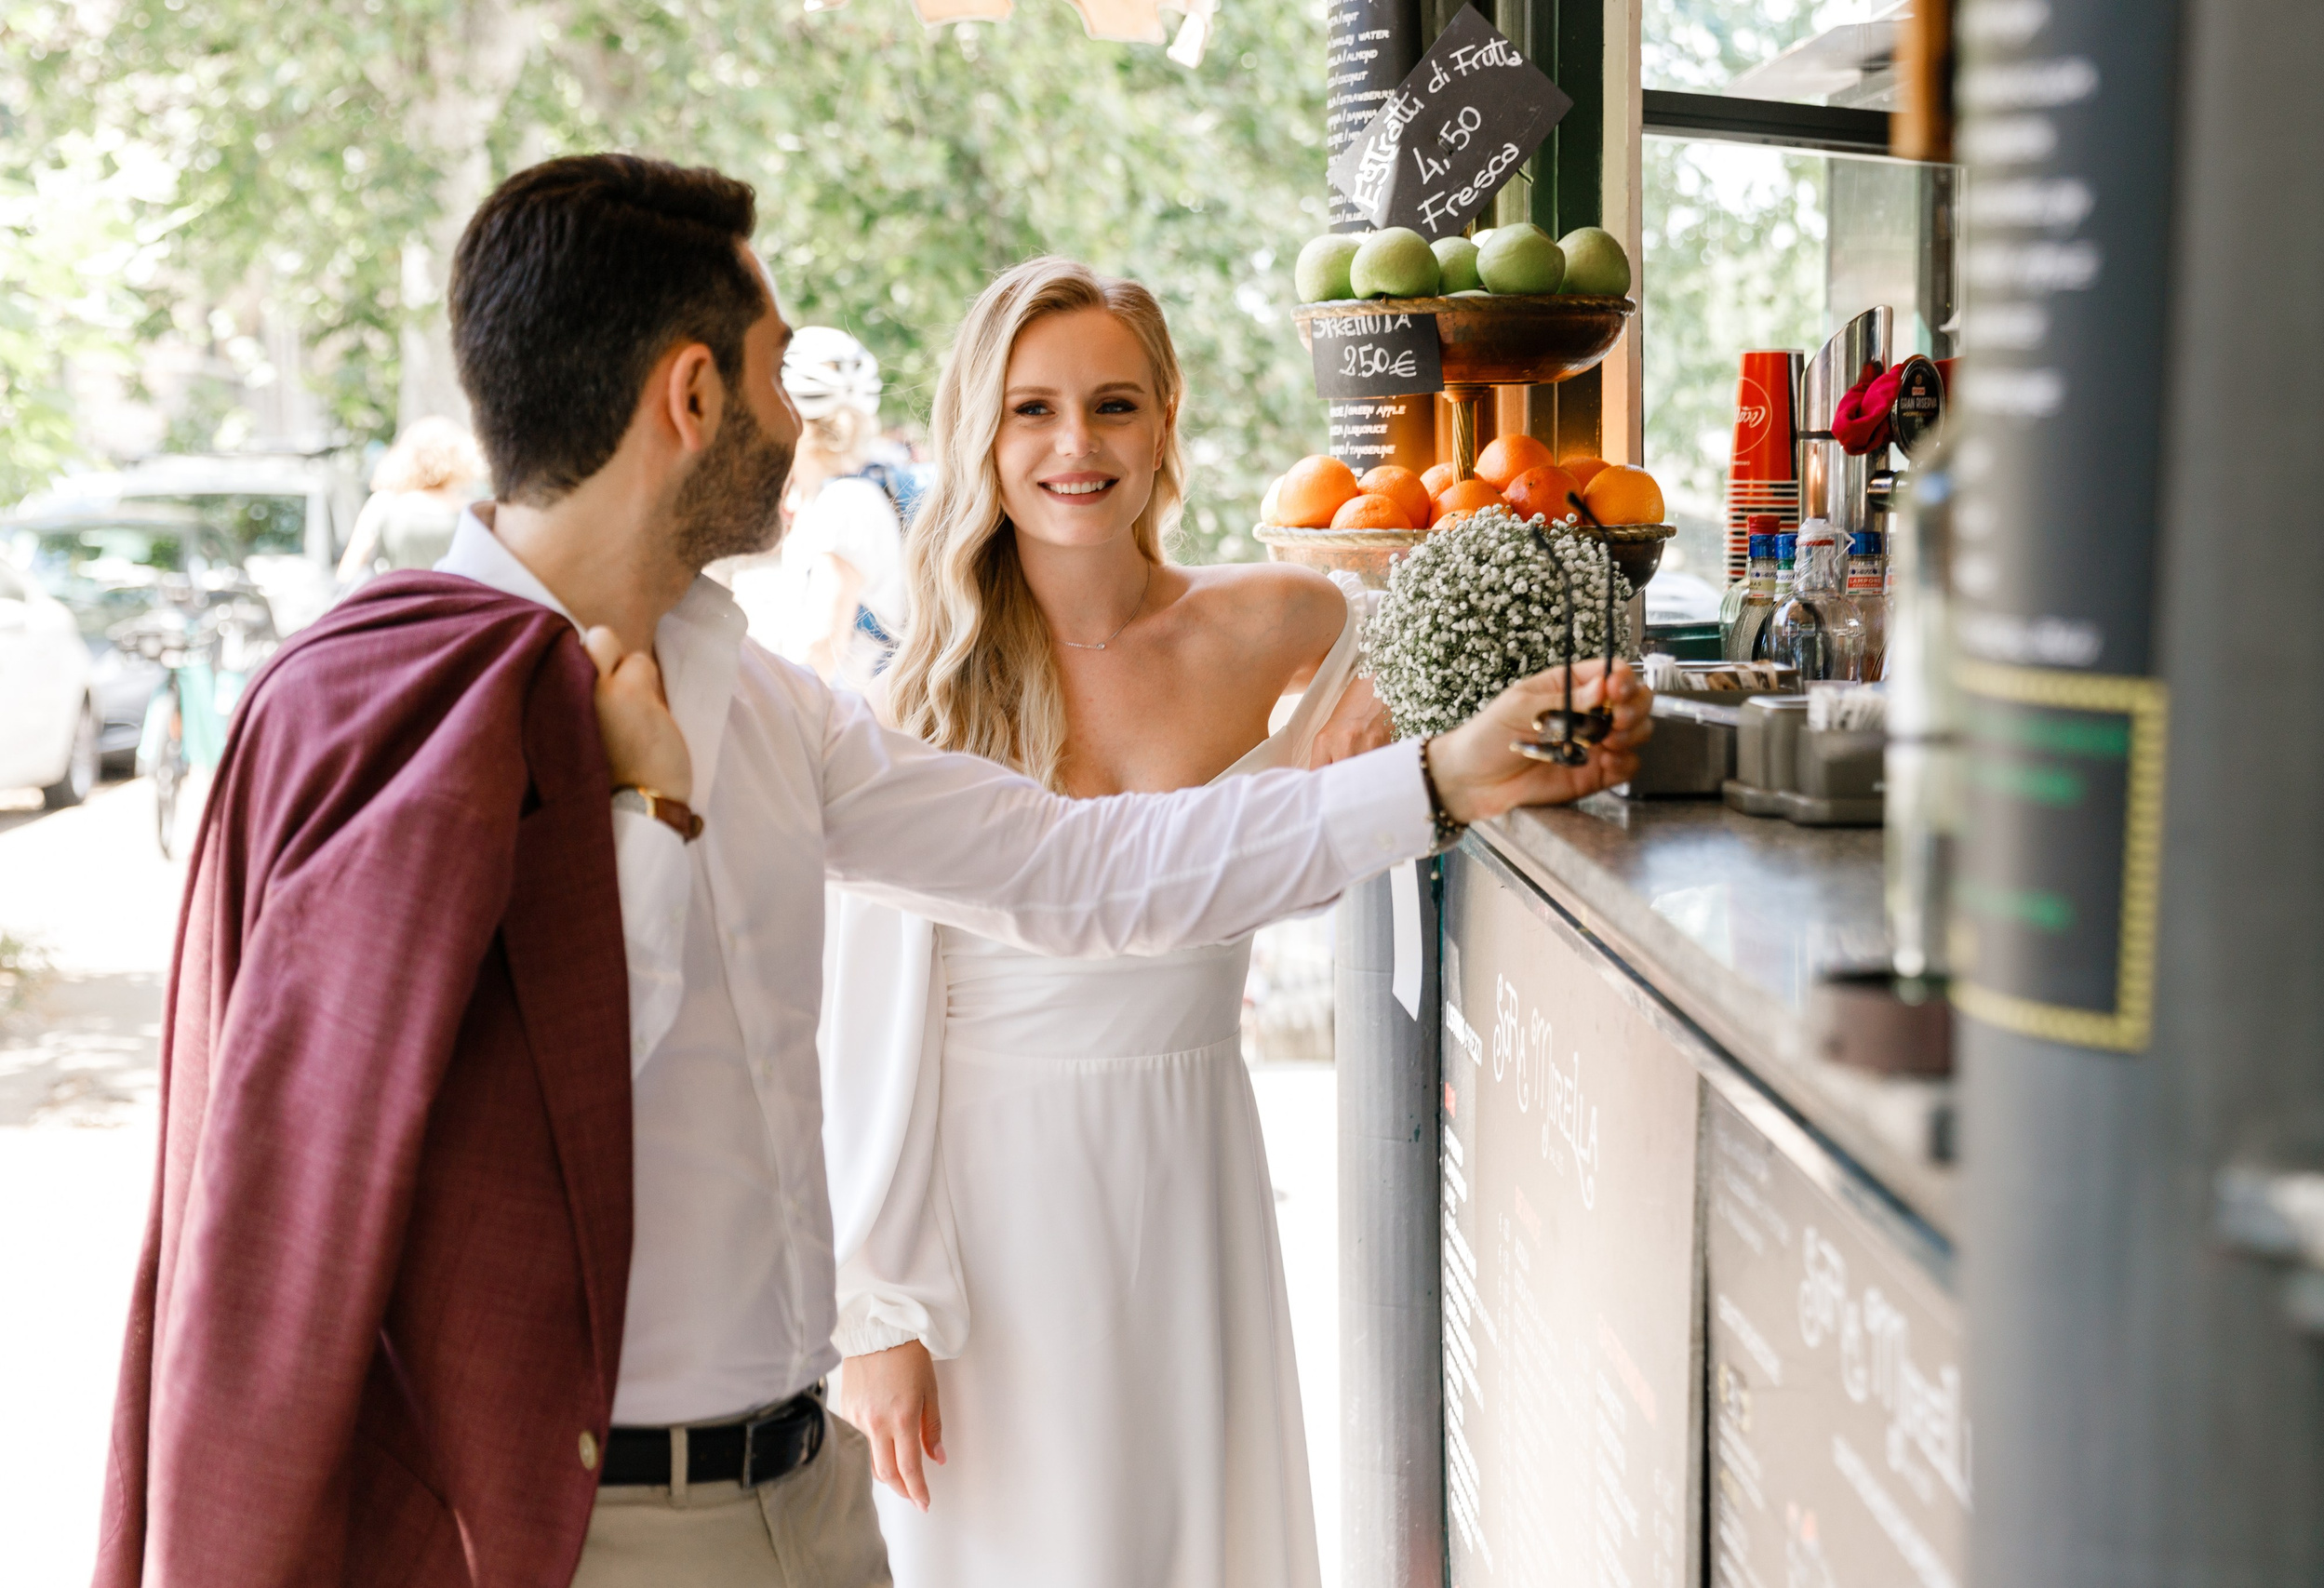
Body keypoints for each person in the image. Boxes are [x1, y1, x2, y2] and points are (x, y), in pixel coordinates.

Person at [94, 153, 1650, 1588]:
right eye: (780, 372)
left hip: (809, 1492)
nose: (809, 417)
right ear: (692, 395)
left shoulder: (780, 711)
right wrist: (644, 815)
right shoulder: (382, 708)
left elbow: (1079, 870)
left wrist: (1438, 776)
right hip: (584, 1526)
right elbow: (350, 1181)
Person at [820, 258, 1390, 1588]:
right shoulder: (926, 698)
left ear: (1165, 418)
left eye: (1113, 405)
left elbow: (1383, 684)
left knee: (1192, 1531)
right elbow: (870, 1030)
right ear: (980, 433)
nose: (1075, 445)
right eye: (1033, 410)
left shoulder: (1279, 619)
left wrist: (1373, 740)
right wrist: (877, 1312)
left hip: (1194, 1166)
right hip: (992, 1219)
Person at [737, 327, 913, 687]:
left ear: (789, 419)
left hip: (849, 712)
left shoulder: (844, 503)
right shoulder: (849, 491)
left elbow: (819, 648)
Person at [335, 414, 485, 580]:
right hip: (456, 595)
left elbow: (348, 573)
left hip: (400, 594)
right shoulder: (474, 511)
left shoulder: (383, 505)